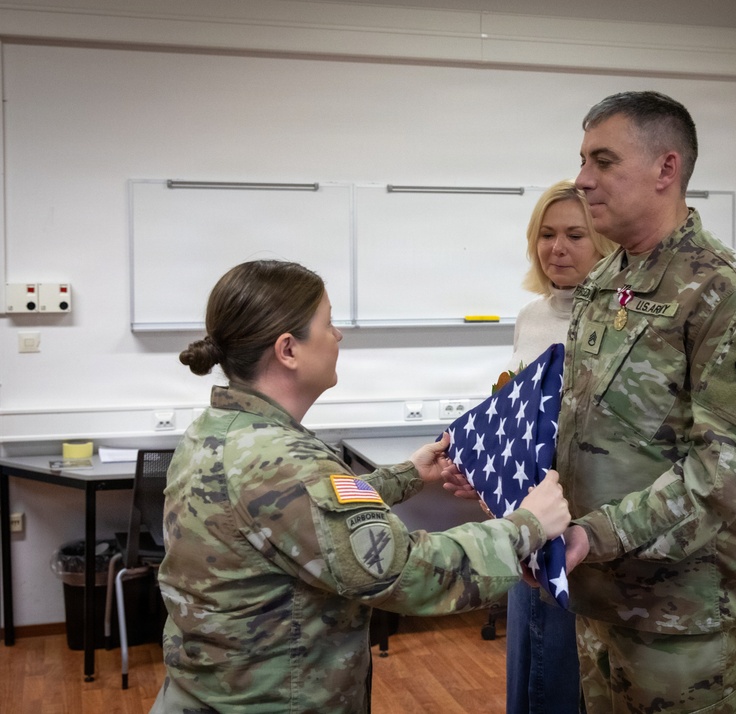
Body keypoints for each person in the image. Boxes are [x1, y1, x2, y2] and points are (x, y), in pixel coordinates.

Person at [149, 259, 571, 714]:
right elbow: (405, 572)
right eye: (327, 324)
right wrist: (527, 526)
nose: (338, 336)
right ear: (288, 349)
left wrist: (407, 474)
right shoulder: (283, 462)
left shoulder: (220, 430)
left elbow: (307, 513)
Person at [560, 91, 736, 713]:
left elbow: (723, 473)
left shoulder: (731, 292)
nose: (582, 179)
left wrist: (595, 534)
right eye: (583, 160)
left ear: (666, 168)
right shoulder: (605, 281)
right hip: (599, 589)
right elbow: (582, 424)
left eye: (603, 161)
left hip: (683, 610)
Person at [505, 180, 615, 714]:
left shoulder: (619, 319)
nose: (557, 248)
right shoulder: (531, 316)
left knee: (565, 678)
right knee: (528, 668)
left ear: (604, 242)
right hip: (526, 512)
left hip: (583, 521)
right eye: (546, 234)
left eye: (575, 235)